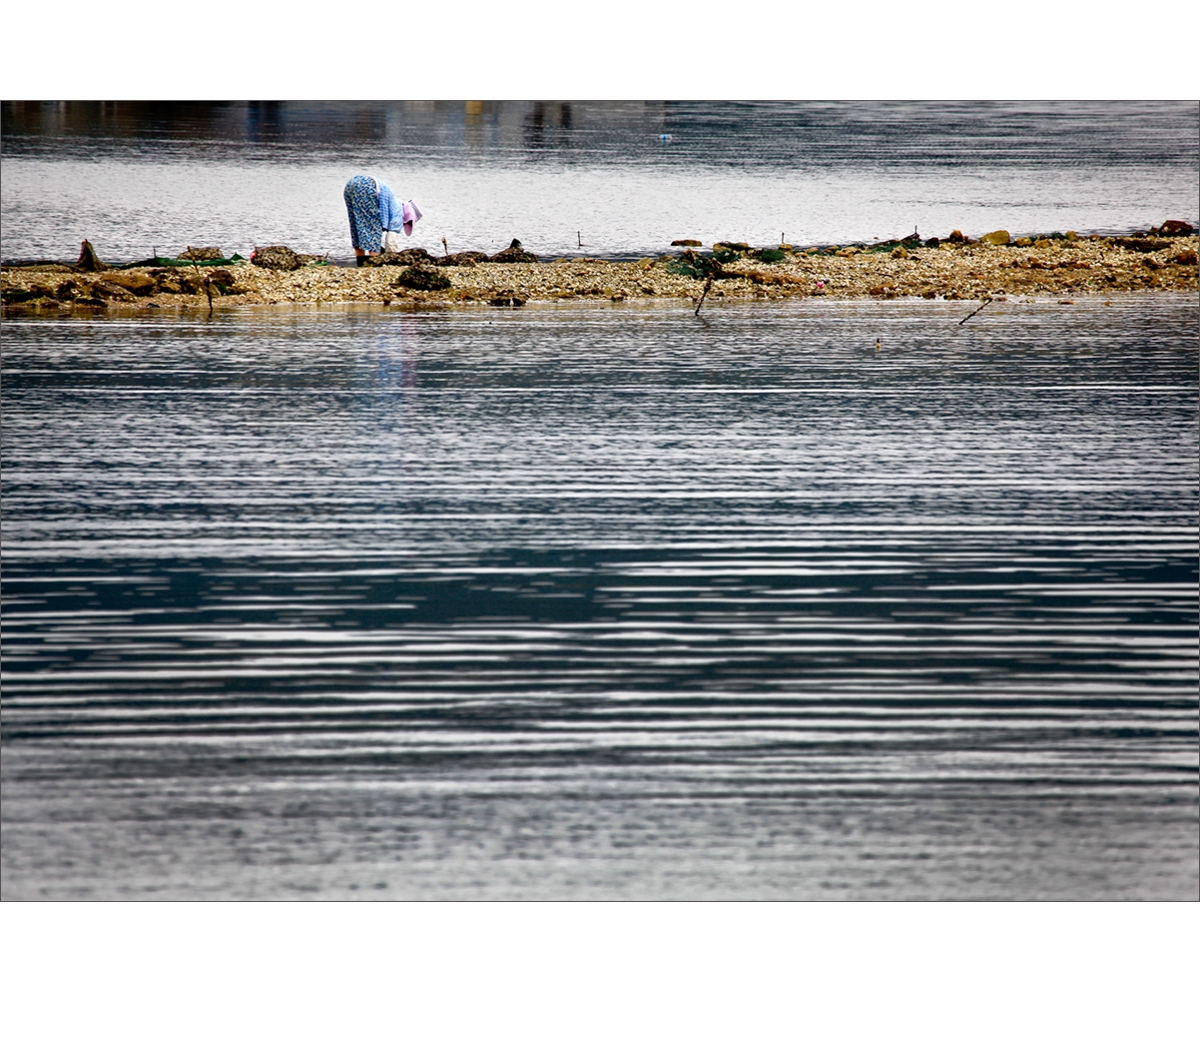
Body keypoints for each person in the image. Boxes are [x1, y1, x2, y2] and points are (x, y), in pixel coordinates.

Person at [343, 175, 422, 264]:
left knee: (357, 226)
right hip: (368, 187)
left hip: (351, 185)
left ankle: (360, 262)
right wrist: (392, 258)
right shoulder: (399, 213)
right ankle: (374, 263)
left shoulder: (394, 203)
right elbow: (391, 241)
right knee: (373, 230)